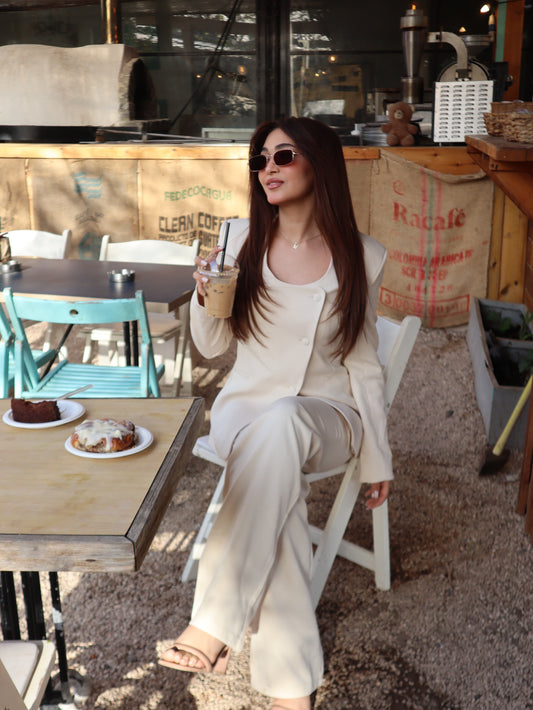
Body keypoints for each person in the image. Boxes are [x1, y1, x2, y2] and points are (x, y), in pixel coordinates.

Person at [158, 116, 393, 710]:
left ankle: (212, 625)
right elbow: (212, 346)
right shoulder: (239, 240)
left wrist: (377, 459)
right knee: (281, 511)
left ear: (320, 162)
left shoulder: (362, 256)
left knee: (287, 419)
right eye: (260, 159)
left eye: (283, 156)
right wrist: (206, 296)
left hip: (327, 417)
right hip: (247, 418)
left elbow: (364, 363)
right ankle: (292, 694)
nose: (268, 169)